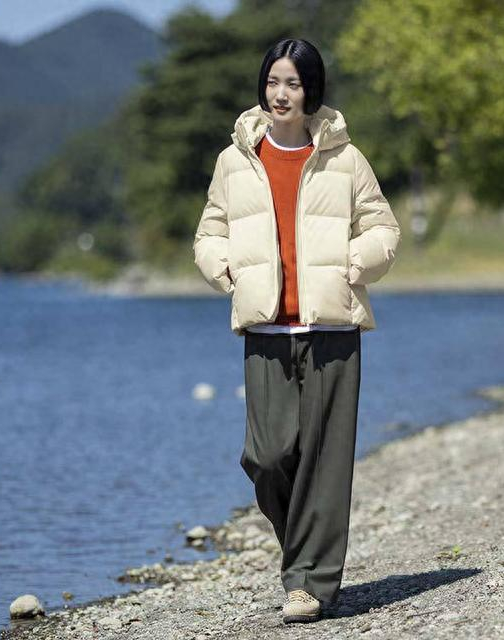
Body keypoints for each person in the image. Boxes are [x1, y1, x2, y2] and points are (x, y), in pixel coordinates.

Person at [192, 38, 400, 624]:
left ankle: (309, 581)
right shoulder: (235, 160)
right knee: (266, 456)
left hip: (331, 327)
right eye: (272, 82)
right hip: (266, 330)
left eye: (293, 83)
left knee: (325, 461)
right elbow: (209, 231)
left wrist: (354, 264)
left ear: (312, 91)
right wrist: (224, 269)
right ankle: (306, 555)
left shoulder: (345, 158)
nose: (281, 94)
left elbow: (383, 228)